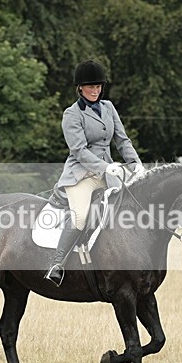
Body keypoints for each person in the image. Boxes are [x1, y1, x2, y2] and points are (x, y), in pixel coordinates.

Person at [44, 60, 144, 286]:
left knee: (130, 206)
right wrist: (105, 166)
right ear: (80, 87)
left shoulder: (108, 107)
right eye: (90, 87)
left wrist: (135, 162)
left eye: (98, 86)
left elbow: (122, 139)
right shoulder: (72, 114)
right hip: (81, 175)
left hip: (109, 172)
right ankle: (57, 264)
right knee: (80, 215)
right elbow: (78, 150)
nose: (95, 91)